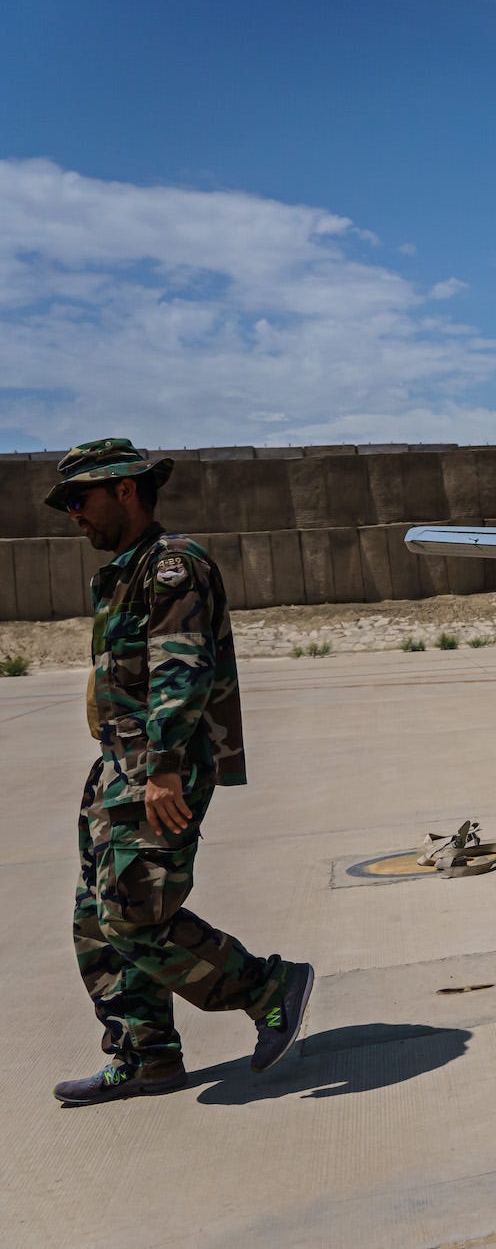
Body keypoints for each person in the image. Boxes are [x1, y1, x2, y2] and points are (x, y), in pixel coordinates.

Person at [46, 439, 315, 1106]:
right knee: (95, 916)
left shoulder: (173, 568)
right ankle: (148, 1055)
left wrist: (164, 766)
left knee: (137, 916)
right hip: (118, 767)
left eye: (82, 499)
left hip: (158, 771)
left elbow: (181, 669)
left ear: (127, 489)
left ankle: (266, 986)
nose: (74, 514)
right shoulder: (121, 574)